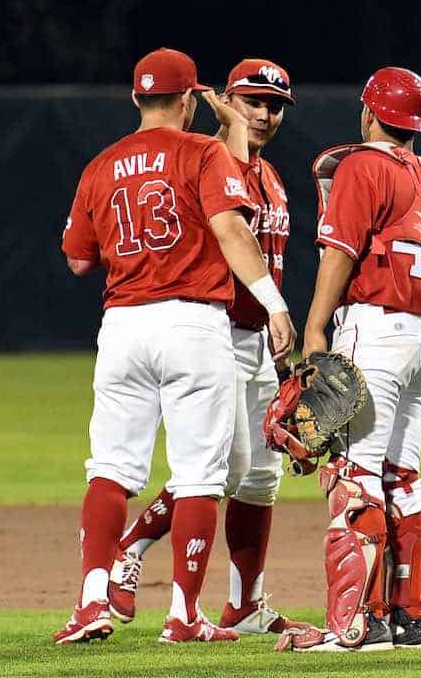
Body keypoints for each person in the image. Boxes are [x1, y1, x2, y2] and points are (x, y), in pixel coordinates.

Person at [55, 47, 295, 645]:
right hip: (194, 323)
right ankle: (185, 615)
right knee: (199, 475)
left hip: (123, 326)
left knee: (110, 467)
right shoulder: (205, 151)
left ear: (137, 98)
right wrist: (274, 303)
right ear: (190, 100)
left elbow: (80, 259)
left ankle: (90, 603)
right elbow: (232, 230)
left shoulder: (100, 165)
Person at [276, 66, 421, 652]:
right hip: (418, 339)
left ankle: (355, 626)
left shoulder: (363, 166)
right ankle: (409, 619)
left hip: (371, 330)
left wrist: (316, 326)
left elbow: (339, 254)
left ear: (370, 113)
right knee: (402, 478)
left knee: (352, 478)